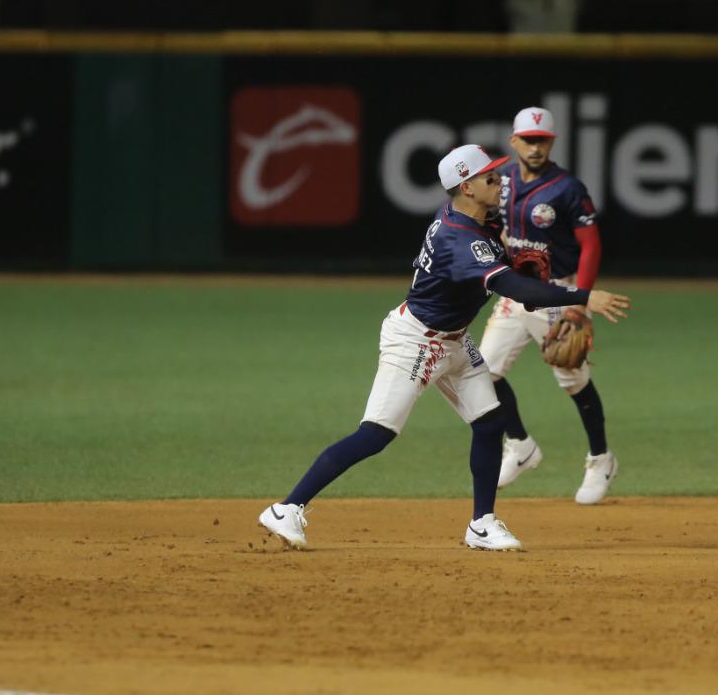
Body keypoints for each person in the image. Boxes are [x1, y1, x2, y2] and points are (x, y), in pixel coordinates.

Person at [257, 144, 631, 552]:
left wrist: (522, 265)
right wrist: (580, 296)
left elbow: (510, 271)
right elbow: (509, 286)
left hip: (454, 340)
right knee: (376, 434)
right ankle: (287, 507)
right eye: (490, 178)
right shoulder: (460, 238)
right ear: (467, 187)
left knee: (490, 422)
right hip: (415, 341)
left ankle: (481, 524)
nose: (499, 181)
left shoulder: (475, 219)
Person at [477, 106, 616, 504]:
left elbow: (591, 246)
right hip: (517, 290)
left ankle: (601, 459)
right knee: (484, 374)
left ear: (551, 142)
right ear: (514, 141)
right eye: (528, 139)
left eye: (542, 140)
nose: (535, 147)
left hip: (558, 291)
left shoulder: (568, 188)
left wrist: (579, 306)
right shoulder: (500, 180)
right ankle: (520, 446)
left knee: (574, 381)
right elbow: (493, 225)